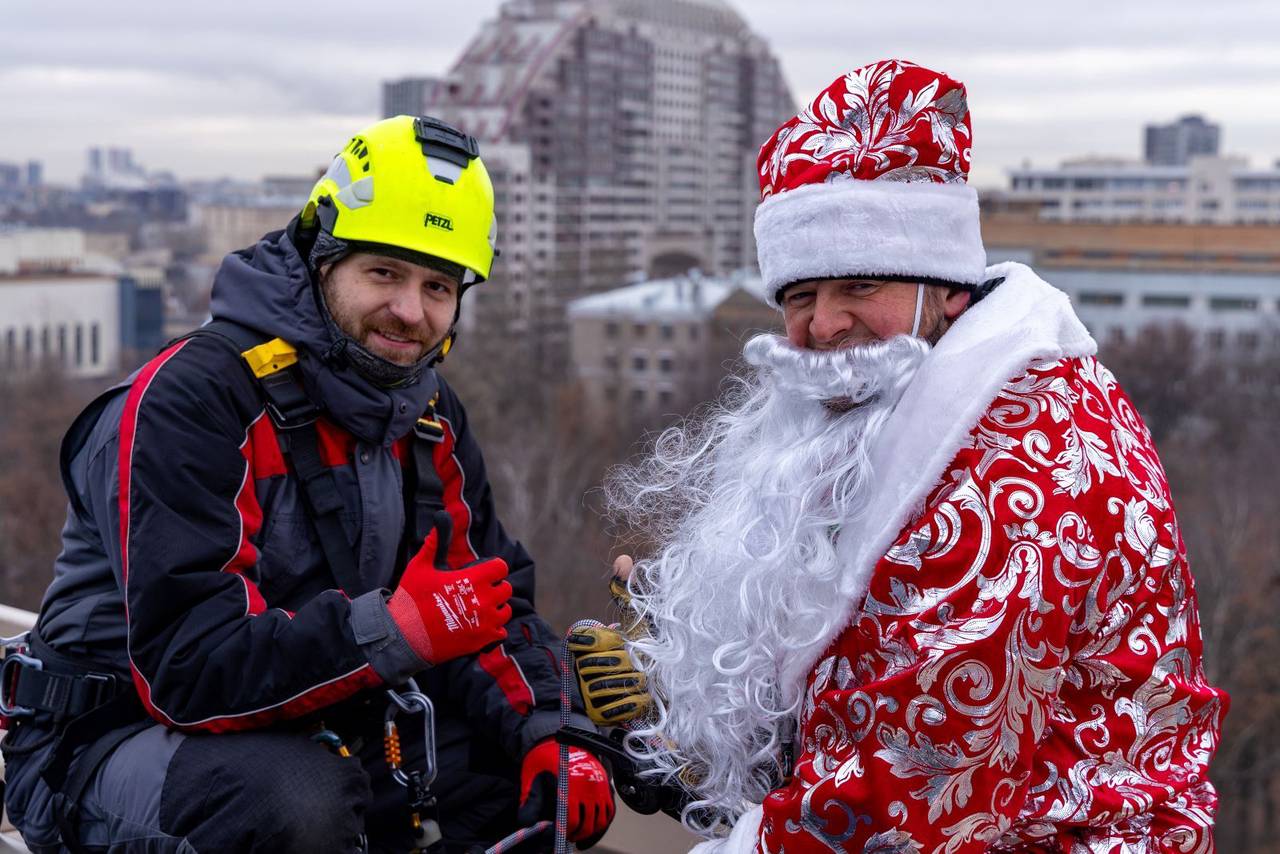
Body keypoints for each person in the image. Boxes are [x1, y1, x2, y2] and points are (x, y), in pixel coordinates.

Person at [601, 60, 1228, 853]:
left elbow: (911, 797)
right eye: (800, 296)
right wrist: (678, 676)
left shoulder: (1014, 473)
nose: (824, 326)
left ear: (949, 289)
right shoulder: (928, 416)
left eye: (858, 287)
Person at [1, 115, 613, 853]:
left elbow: (484, 597)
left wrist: (552, 730)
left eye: (438, 286)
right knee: (295, 802)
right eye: (383, 272)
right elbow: (188, 671)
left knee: (520, 781)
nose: (410, 312)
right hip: (108, 741)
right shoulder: (199, 400)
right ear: (319, 256)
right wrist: (399, 629)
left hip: (316, 719)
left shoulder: (425, 418)